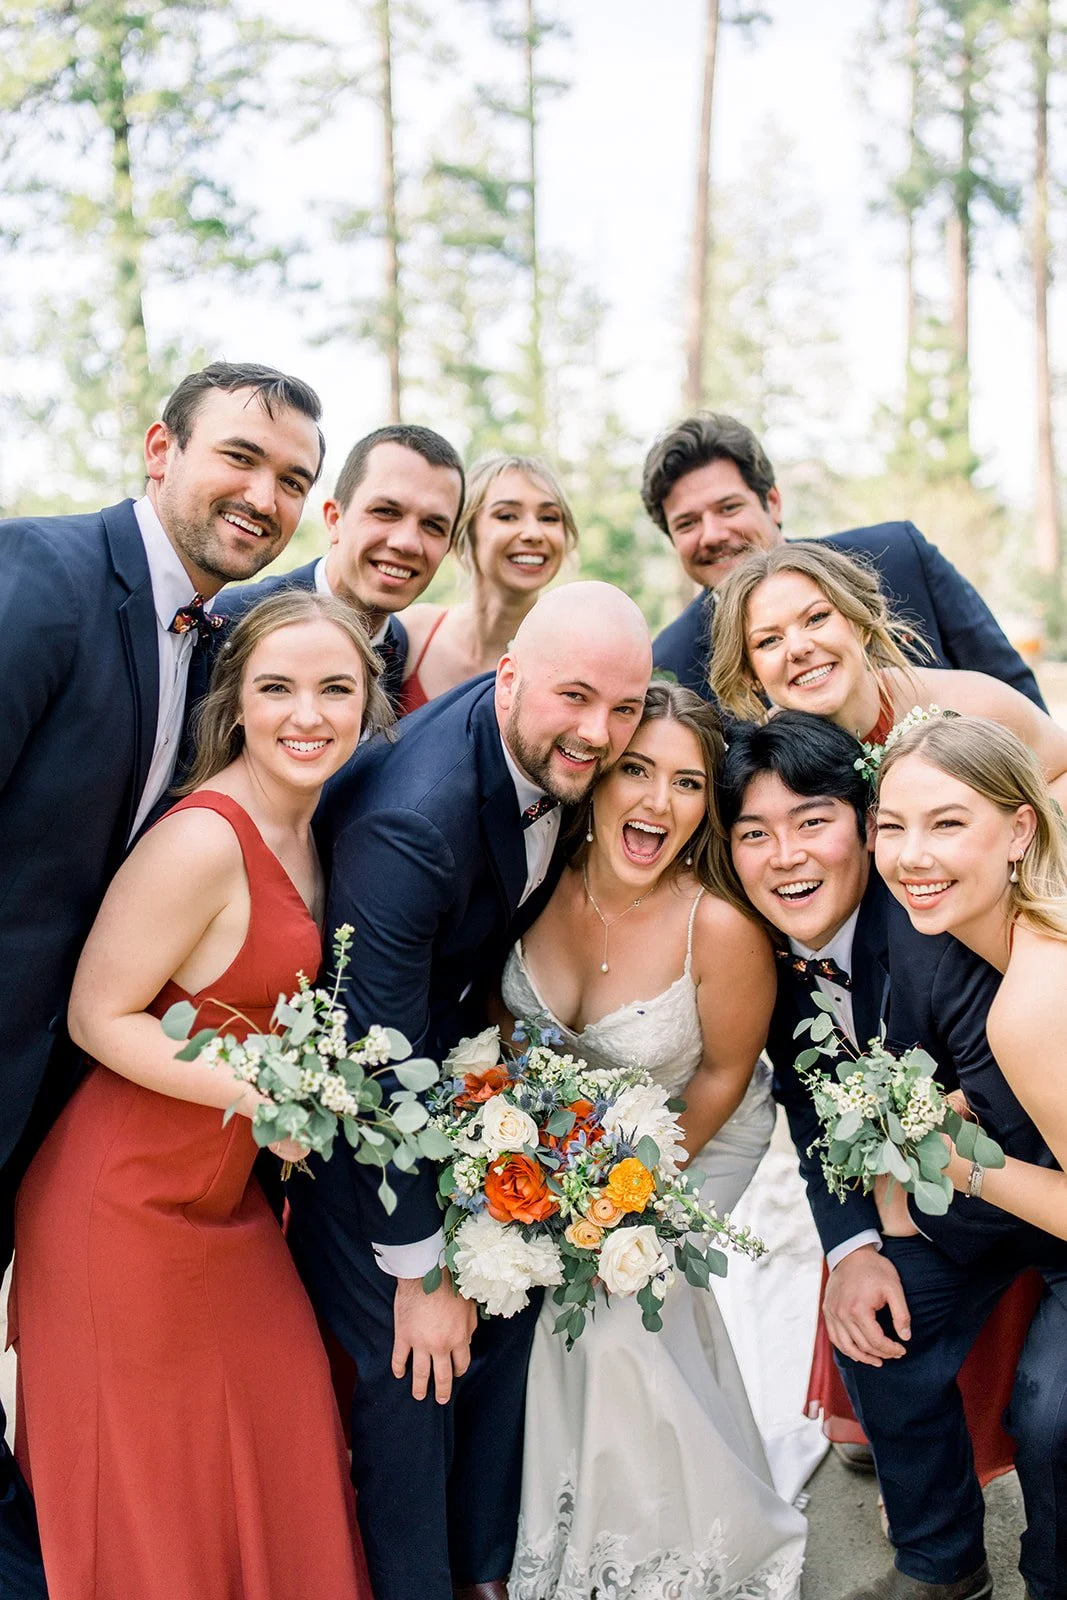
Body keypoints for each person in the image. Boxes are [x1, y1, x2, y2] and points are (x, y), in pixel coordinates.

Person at [0, 360, 324, 1597]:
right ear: (159, 448)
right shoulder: (44, 578)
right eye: (238, 457)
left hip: (65, 1094)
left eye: (291, 478)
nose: (263, 494)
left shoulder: (219, 642)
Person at [10, 589, 389, 1599]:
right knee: (157, 1508)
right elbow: (101, 1014)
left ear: (367, 702)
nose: (306, 714)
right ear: (237, 703)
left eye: (333, 689)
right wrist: (273, 1090)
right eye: (277, 688)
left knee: (288, 1440)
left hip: (227, 1209)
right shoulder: (204, 839)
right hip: (119, 1214)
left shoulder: (313, 823)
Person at [286, 582, 654, 1600]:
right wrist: (422, 1273)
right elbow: (376, 1065)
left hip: (452, 1070)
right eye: (574, 698)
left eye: (623, 707)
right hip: (355, 1124)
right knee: (412, 1375)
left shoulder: (554, 757)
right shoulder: (417, 821)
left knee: (510, 1312)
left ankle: (482, 1573)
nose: (599, 733)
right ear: (508, 679)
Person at [723, 712, 1067, 1600]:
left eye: (812, 822)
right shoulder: (761, 958)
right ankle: (940, 1566)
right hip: (959, 1204)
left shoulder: (938, 920)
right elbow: (810, 1106)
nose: (787, 855)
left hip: (1041, 1193)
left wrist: (941, 1150)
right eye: (754, 834)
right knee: (877, 1329)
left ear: (853, 820)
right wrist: (854, 1247)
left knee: (1050, 1410)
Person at [502, 682, 806, 1600]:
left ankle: (646, 1553)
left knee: (610, 1315)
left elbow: (720, 1074)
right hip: (545, 1149)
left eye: (686, 783)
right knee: (520, 1311)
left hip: (688, 1136)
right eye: (636, 770)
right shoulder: (527, 882)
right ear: (594, 778)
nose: (656, 803)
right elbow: (495, 1035)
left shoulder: (715, 926)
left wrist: (625, 1190)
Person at [642, 412, 1044, 708]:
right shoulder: (671, 665)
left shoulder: (899, 557)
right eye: (688, 523)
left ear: (773, 502)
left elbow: (1014, 693)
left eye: (728, 508)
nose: (712, 534)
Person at [876, 716, 1067, 1245]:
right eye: (892, 827)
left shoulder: (1032, 1002)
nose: (911, 856)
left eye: (947, 824)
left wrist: (961, 1167)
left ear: (1020, 830)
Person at [709, 541, 1067, 807]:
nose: (799, 647)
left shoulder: (971, 706)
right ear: (749, 674)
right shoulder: (759, 770)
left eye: (817, 618)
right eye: (769, 640)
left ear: (860, 624)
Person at [226, 423, 465, 707]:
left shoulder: (400, 646)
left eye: (433, 525)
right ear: (334, 519)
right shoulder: (232, 622)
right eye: (386, 512)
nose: (407, 543)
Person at [397, 453, 578, 714]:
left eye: (549, 518)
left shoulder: (571, 660)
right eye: (507, 516)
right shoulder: (411, 634)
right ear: (465, 531)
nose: (533, 534)